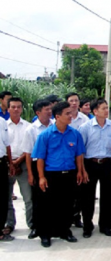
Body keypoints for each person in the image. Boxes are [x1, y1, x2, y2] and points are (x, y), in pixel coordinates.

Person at [31, 101, 86, 247]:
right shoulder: (45, 135)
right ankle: (45, 234)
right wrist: (41, 177)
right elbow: (40, 158)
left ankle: (65, 231)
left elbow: (79, 154)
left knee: (67, 205)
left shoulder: (75, 134)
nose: (71, 116)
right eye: (67, 114)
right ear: (57, 116)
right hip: (51, 175)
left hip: (69, 174)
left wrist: (80, 171)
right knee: (47, 206)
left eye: (71, 113)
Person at [78, 98, 111, 238]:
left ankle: (105, 225)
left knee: (107, 197)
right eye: (103, 108)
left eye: (107, 107)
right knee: (87, 197)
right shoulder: (86, 127)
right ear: (95, 111)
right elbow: (80, 151)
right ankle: (87, 226)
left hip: (107, 163)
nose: (106, 110)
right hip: (90, 164)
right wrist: (82, 170)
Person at [21, 99, 54, 240]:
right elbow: (28, 154)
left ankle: (52, 227)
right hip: (36, 166)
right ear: (38, 112)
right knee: (37, 199)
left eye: (50, 109)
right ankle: (36, 227)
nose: (49, 111)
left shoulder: (55, 126)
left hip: (52, 166)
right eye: (46, 109)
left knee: (51, 198)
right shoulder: (31, 129)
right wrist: (30, 174)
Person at [5, 97, 33, 238]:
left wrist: (18, 162)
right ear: (8, 108)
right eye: (13, 107)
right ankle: (9, 224)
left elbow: (29, 149)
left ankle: (32, 223)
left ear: (22, 109)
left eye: (18, 107)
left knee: (28, 197)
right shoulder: (3, 126)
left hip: (23, 163)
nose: (16, 109)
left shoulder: (28, 126)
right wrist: (11, 163)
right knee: (6, 198)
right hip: (6, 164)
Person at [65, 92, 89, 228]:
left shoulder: (84, 119)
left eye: (76, 100)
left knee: (80, 191)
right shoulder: (62, 118)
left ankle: (76, 216)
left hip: (80, 158)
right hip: (66, 160)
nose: (74, 103)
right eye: (71, 100)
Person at [0, 116, 15, 241]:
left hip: (1, 163)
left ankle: (1, 230)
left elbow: (7, 145)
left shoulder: (2, 121)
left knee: (3, 198)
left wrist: (10, 164)